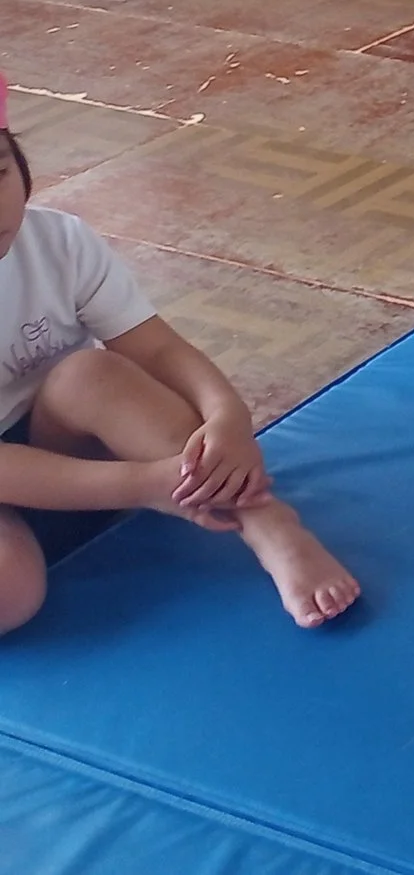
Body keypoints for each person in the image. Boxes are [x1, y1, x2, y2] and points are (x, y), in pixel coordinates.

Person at [0, 74, 359, 631]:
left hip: (68, 438)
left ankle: (267, 523)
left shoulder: (58, 242)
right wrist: (145, 483)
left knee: (91, 374)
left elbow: (158, 348)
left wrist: (227, 414)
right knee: (10, 593)